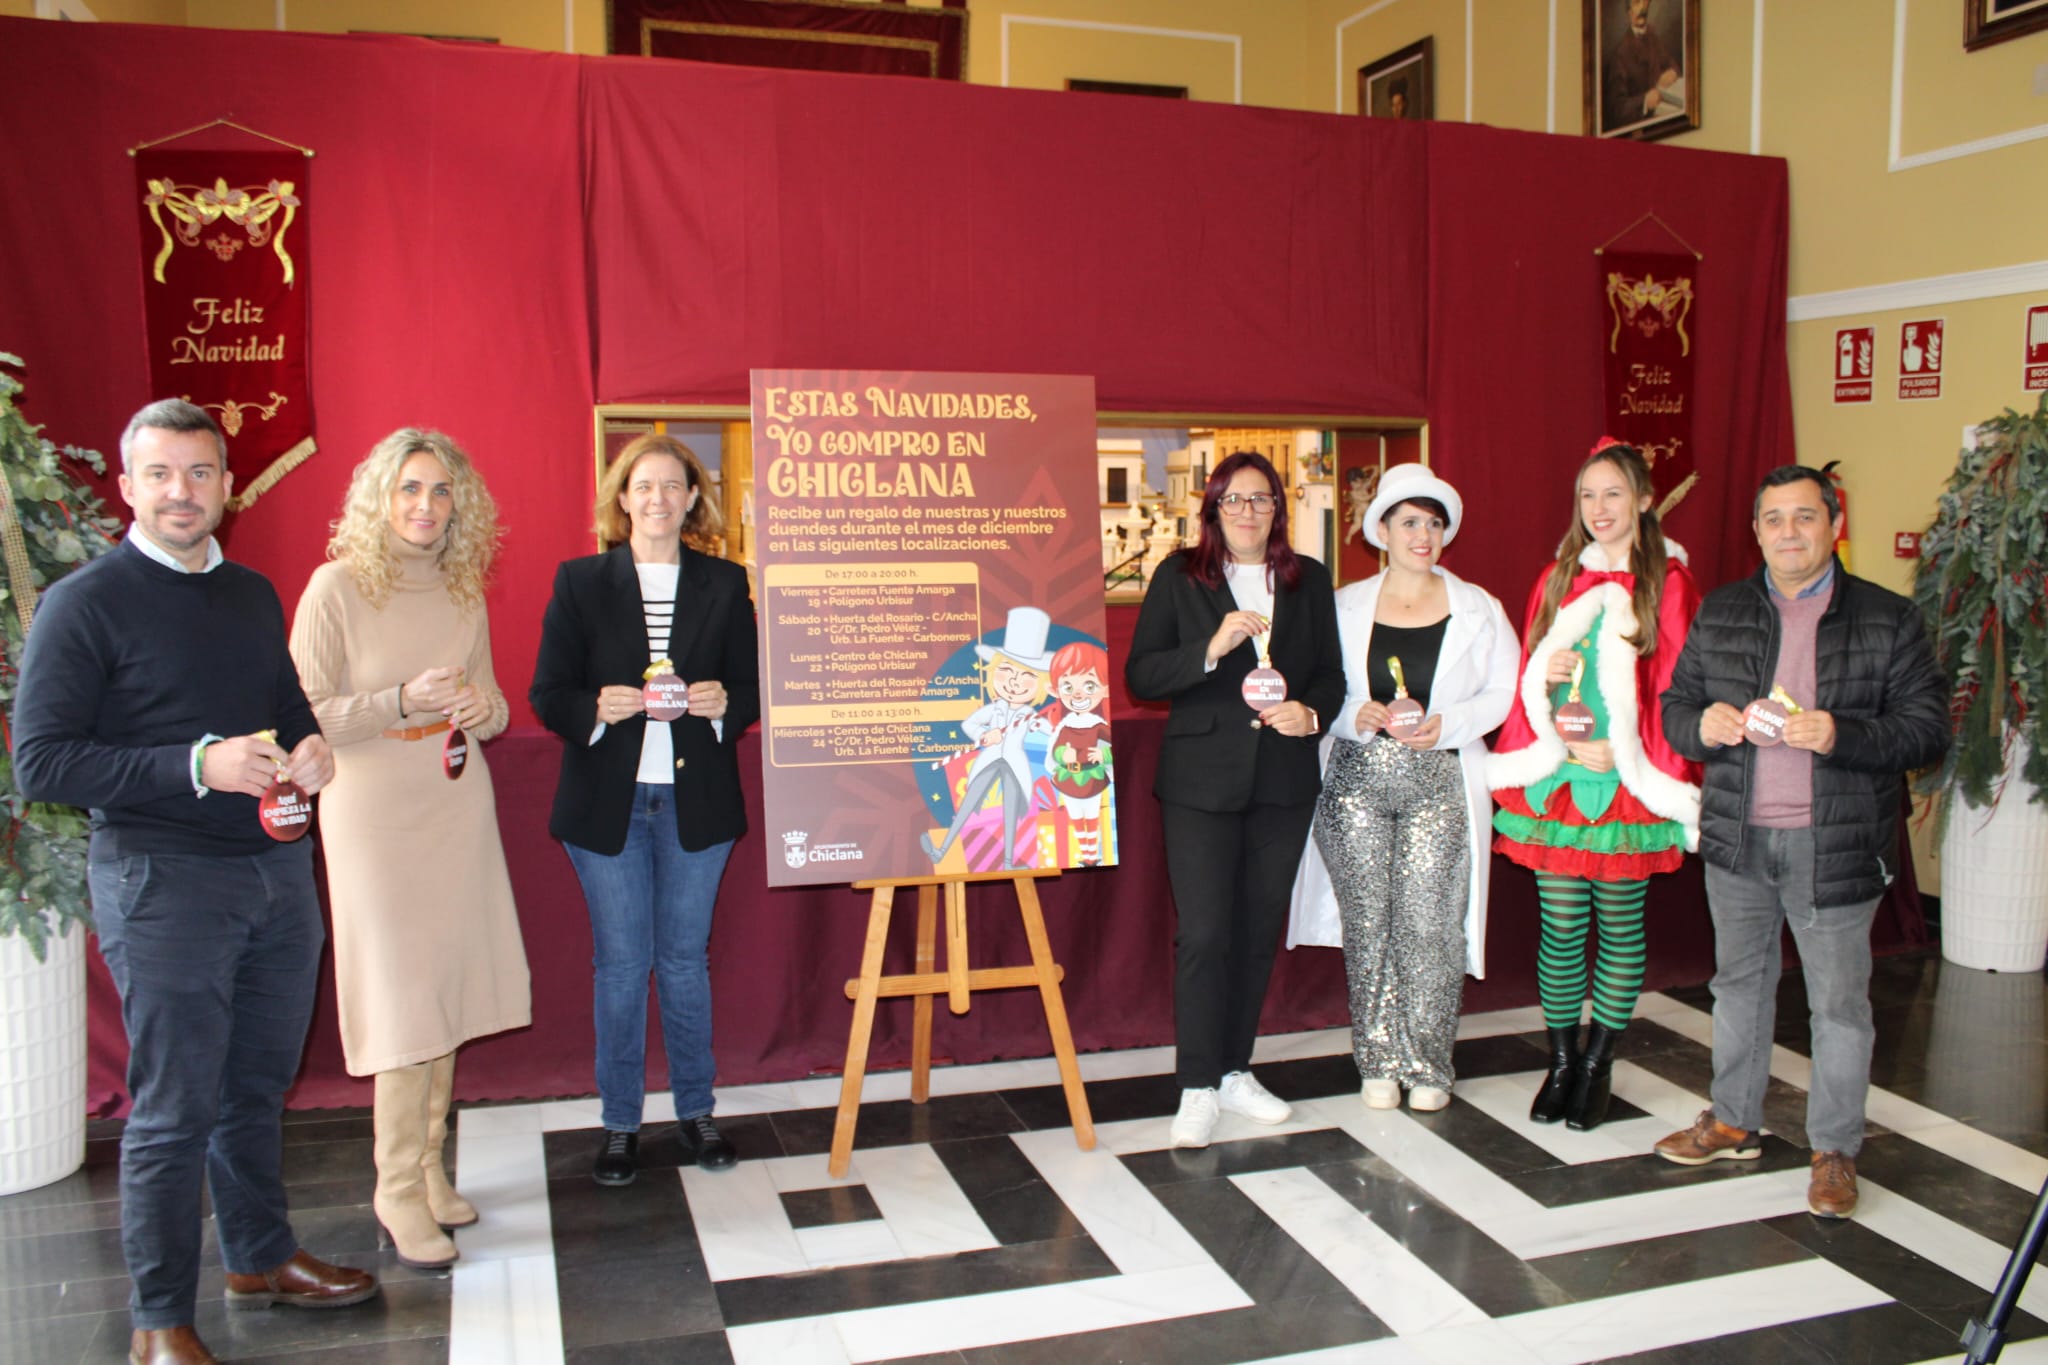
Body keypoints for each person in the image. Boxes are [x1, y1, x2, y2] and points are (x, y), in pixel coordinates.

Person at [14, 400, 376, 1365]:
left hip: (275, 872)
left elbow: (287, 705)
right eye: (161, 473)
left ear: (227, 486)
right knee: (174, 1107)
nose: (183, 491)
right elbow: (42, 764)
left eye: (201, 472)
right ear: (126, 487)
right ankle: (158, 1320)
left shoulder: (252, 593)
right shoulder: (83, 604)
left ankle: (258, 1257)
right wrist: (194, 764)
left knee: (256, 1085)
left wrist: (311, 747)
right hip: (162, 882)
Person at [1654, 466, 1947, 1219]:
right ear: (1757, 531)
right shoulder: (1722, 610)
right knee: (1737, 986)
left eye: (1805, 516)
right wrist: (1701, 725)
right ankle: (1732, 1120)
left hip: (1835, 844)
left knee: (1839, 1006)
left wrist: (1842, 734)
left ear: (1834, 526)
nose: (1790, 532)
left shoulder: (1888, 617)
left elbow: (1925, 730)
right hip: (1738, 839)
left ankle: (1835, 1150)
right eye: (1774, 518)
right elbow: (1676, 707)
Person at [288, 429, 531, 1269]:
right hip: (372, 808)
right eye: (410, 488)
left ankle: (428, 1164)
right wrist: (397, 699)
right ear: (379, 497)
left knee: (443, 984)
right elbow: (303, 714)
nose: (426, 505)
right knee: (401, 992)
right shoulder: (335, 586)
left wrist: (481, 708)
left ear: (460, 505)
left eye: (440, 491)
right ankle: (393, 1185)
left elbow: (494, 705)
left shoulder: (463, 590)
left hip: (454, 799)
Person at [531, 433, 758, 1186]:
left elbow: (752, 687)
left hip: (697, 801)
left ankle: (697, 1111)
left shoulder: (726, 583)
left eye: (672, 485)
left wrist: (725, 705)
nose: (657, 498)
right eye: (643, 485)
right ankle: (621, 1123)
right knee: (622, 966)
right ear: (622, 499)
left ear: (693, 499)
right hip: (608, 804)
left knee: (685, 963)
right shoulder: (580, 581)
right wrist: (594, 709)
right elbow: (547, 692)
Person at [1126, 451, 1345, 1149]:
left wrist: (1312, 713)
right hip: (1200, 783)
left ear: (1278, 508)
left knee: (1255, 931)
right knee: (1205, 933)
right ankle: (1196, 1084)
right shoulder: (1179, 576)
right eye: (1234, 500)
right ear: (1213, 508)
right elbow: (1141, 675)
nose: (1248, 512)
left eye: (1261, 499)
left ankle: (1233, 1070)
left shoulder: (1308, 579)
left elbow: (1332, 674)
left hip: (1283, 782)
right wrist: (1211, 647)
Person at [1487, 439, 1701, 1131]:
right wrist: (1544, 681)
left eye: (1613, 493)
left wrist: (1631, 752)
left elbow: (1679, 686)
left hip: (1626, 784)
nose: (1599, 508)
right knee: (1560, 925)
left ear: (1644, 500)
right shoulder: (1557, 579)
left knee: (1619, 922)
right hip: (1560, 779)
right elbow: (1530, 675)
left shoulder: (1668, 583)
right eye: (1588, 495)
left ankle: (1597, 1063)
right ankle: (1560, 1061)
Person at [1288, 465, 1518, 1111]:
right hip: (1355, 781)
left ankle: (1428, 1063)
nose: (1423, 535)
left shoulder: (1479, 607)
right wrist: (1348, 714)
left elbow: (1505, 688)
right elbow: (1316, 683)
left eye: (1434, 523)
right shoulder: (1342, 605)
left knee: (1431, 924)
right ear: (1382, 530)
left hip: (1439, 780)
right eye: (1410, 522)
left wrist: (1454, 723)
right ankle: (1378, 1060)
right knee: (1368, 925)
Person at [921, 606, 1054, 870]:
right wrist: (983, 735)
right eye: (1007, 672)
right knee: (969, 803)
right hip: (990, 759)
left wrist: (1041, 725)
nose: (1015, 682)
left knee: (1011, 810)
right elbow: (968, 723)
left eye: (1027, 676)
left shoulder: (1028, 714)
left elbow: (1050, 731)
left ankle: (1009, 861)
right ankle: (942, 851)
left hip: (1015, 764)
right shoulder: (994, 709)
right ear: (994, 672)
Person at [1045, 639, 1113, 866]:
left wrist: (1103, 756)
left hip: (1092, 777)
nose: (1078, 695)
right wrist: (1062, 756)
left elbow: (1113, 748)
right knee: (1075, 816)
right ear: (1056, 690)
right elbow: (1055, 751)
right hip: (1069, 778)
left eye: (1089, 686)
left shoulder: (1099, 724)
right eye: (1068, 687)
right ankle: (1085, 854)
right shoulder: (1064, 725)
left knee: (1092, 816)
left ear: (1105, 689)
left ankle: (1092, 854)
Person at [1603, 0, 1682, 132]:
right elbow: (1616, 109)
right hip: (1641, 130)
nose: (1642, 8)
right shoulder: (1620, 55)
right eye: (1636, 3)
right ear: (1629, 12)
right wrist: (1645, 101)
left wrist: (1672, 73)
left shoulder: (1654, 39)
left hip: (1665, 119)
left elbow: (1673, 66)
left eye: (1645, 2)